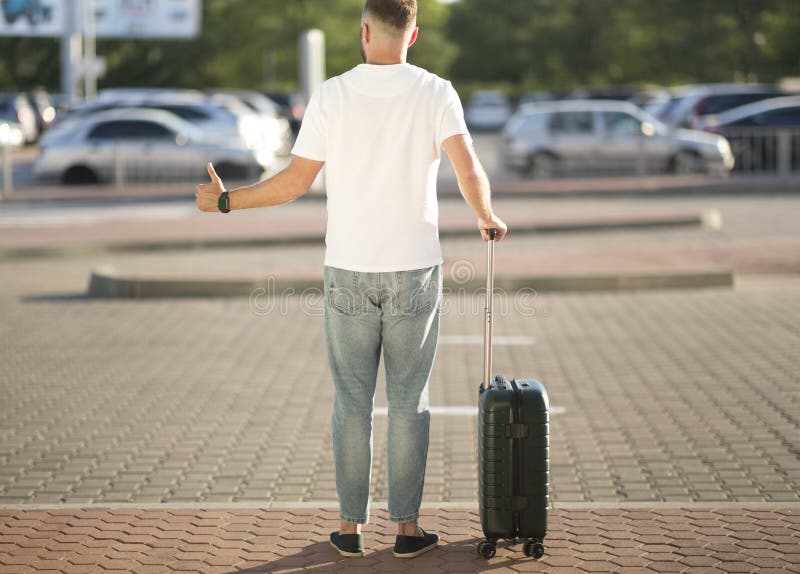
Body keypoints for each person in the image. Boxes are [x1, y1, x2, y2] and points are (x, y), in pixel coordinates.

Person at [196, 0, 507, 560]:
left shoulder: (332, 95)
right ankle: (408, 532)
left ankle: (349, 529)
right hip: (415, 266)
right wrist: (485, 215)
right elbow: (468, 169)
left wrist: (224, 202)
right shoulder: (437, 91)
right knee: (409, 402)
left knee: (351, 402)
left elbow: (294, 183)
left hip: (348, 267)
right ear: (414, 36)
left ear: (364, 32)